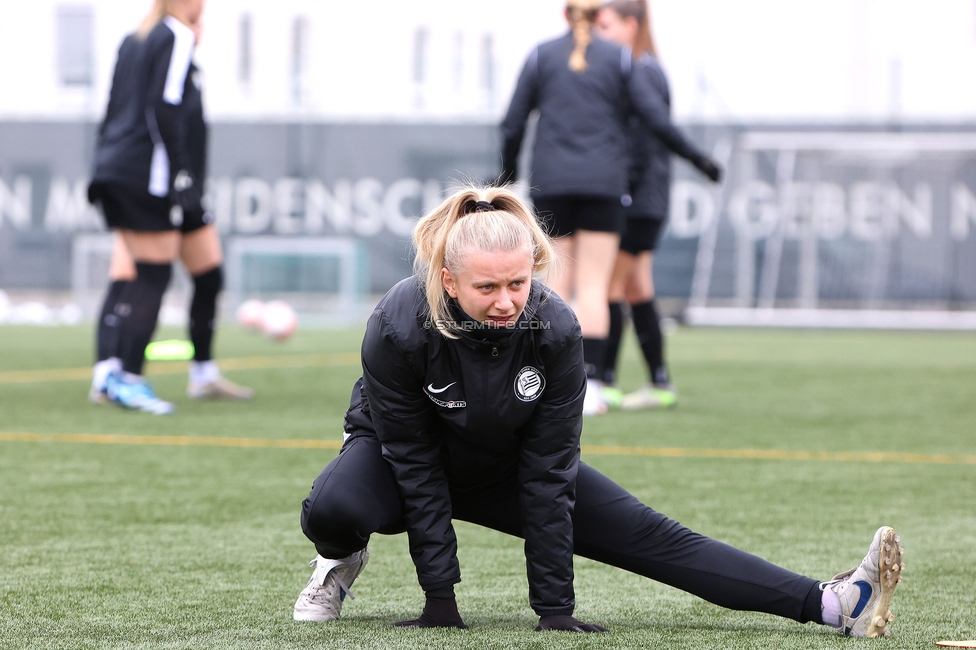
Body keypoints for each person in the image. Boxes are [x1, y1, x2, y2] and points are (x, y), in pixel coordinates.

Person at [293, 186, 904, 637]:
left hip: (507, 464)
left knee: (653, 535)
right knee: (333, 506)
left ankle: (832, 604)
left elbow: (550, 471)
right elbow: (415, 459)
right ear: (448, 280)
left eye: (517, 284)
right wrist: (440, 600)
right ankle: (340, 559)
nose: (506, 302)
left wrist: (554, 609)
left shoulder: (556, 328)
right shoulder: (398, 324)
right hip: (402, 462)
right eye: (487, 289)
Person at [500, 0, 722, 416]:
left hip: (552, 183)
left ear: (565, 15)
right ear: (596, 17)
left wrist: (506, 175)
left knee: (552, 288)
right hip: (604, 185)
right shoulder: (620, 59)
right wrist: (699, 160)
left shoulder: (540, 55)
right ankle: (592, 386)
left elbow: (512, 123)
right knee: (596, 288)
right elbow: (657, 119)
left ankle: (539, 385)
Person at [87, 0, 251, 413]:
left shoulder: (138, 40)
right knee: (149, 276)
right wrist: (178, 173)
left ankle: (179, 374)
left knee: (200, 274)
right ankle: (124, 377)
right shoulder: (173, 35)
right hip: (149, 176)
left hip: (121, 170)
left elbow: (113, 111)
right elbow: (163, 106)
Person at [595, 0, 706, 410]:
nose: (599, 34)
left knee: (605, 288)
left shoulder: (638, 69)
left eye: (605, 25)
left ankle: (602, 380)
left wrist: (622, 191)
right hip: (648, 198)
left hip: (637, 199)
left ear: (631, 24)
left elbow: (643, 144)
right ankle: (660, 382)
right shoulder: (646, 67)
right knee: (637, 287)